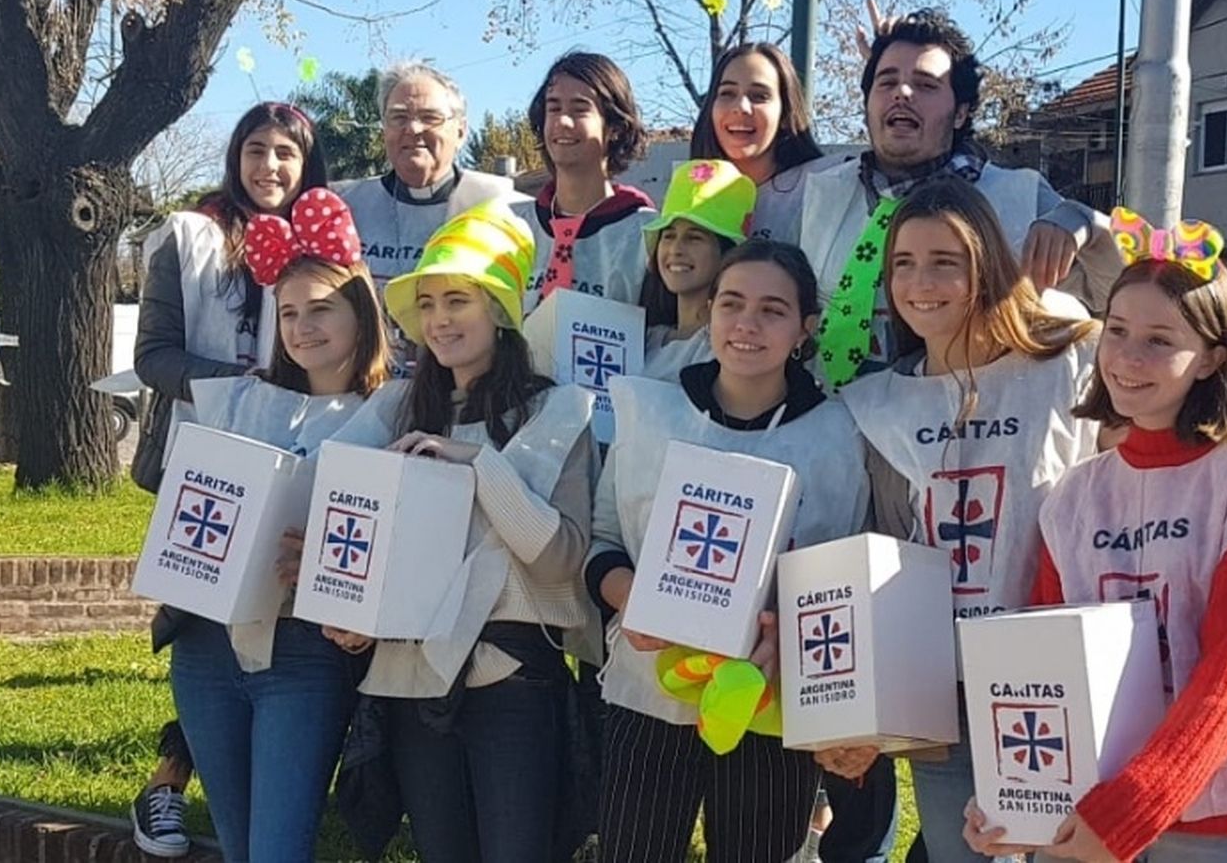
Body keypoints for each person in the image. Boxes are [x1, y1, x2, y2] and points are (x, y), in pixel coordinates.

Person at [815, 185, 1227, 862]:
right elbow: (881, 565)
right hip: (947, 692)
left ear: (988, 263)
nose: (919, 282)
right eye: (902, 262)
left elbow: (1156, 361)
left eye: (944, 260)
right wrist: (861, 709)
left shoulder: (1064, 361)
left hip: (1078, 695)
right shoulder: (876, 405)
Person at [965, 211, 1227, 862]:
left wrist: (1129, 810)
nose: (1127, 357)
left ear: (1212, 359)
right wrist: (1012, 797)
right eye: (1116, 331)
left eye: (1160, 340)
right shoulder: (1075, 496)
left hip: (1214, 815)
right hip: (1089, 807)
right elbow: (1043, 667)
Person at [323, 201, 597, 862]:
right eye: (430, 304)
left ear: (499, 310)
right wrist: (344, 605)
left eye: (459, 301)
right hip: (408, 679)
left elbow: (563, 561)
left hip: (510, 680)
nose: (440, 320)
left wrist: (478, 467)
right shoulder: (393, 407)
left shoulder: (557, 408)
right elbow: (336, 498)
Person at [585, 240, 869, 863]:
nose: (747, 323)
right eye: (732, 303)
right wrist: (631, 598)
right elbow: (601, 544)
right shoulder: (649, 412)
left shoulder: (839, 436)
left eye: (773, 310)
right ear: (709, 310)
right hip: (649, 693)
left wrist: (782, 637)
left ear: (805, 329)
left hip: (772, 702)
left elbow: (845, 581)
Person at [165, 188, 392, 862]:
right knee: (239, 848)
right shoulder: (239, 399)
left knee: (278, 851)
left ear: (361, 312)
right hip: (205, 649)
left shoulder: (402, 411)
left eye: (321, 308)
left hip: (306, 653)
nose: (302, 326)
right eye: (288, 312)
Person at [130, 101, 328, 858]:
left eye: (286, 152)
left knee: (277, 617)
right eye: (255, 149)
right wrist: (243, 382)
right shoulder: (189, 236)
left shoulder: (322, 246)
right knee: (204, 630)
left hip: (293, 466)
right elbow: (154, 356)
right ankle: (173, 778)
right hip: (203, 471)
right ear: (234, 157)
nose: (268, 166)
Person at [798, 8, 1123, 388]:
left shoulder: (1019, 197)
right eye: (887, 82)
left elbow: (1122, 297)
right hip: (835, 426)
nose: (902, 93)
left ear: (961, 113)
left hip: (976, 430)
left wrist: (1088, 225)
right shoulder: (820, 193)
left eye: (926, 84)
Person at [334, 61, 527, 370]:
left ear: (461, 130)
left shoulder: (503, 207)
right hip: (364, 390)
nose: (413, 129)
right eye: (398, 117)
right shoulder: (345, 206)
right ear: (384, 128)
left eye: (430, 118)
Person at [517, 52, 656, 311]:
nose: (562, 121)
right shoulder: (513, 227)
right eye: (554, 108)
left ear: (614, 127)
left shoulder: (646, 233)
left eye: (580, 109)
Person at [689, 42, 846, 245]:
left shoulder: (824, 193)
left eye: (759, 96)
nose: (741, 107)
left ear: (784, 111)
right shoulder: (688, 195)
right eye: (727, 93)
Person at [637, 159, 754, 381]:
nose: (676, 249)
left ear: (728, 254)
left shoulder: (733, 349)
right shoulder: (643, 338)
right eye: (668, 235)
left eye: (694, 237)